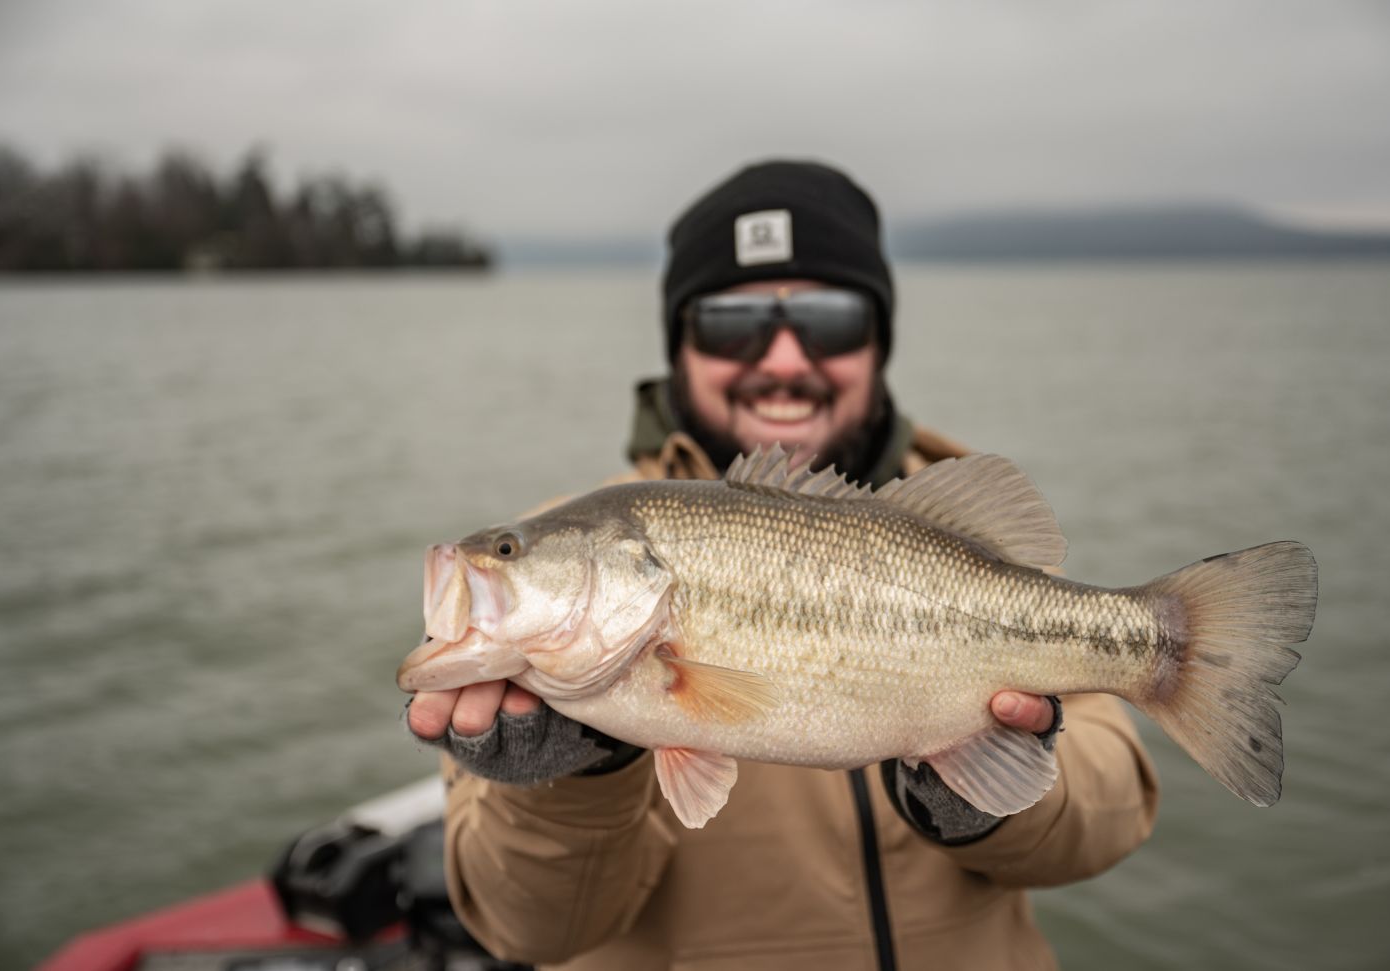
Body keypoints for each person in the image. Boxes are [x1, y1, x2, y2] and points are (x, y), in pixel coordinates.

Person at [406, 160, 1159, 970]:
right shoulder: (587, 529)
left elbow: (1110, 816)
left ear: (877, 341)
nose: (785, 358)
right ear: (679, 346)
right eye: (733, 323)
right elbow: (530, 933)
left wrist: (974, 792)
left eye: (830, 321)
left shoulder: (958, 543)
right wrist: (574, 782)